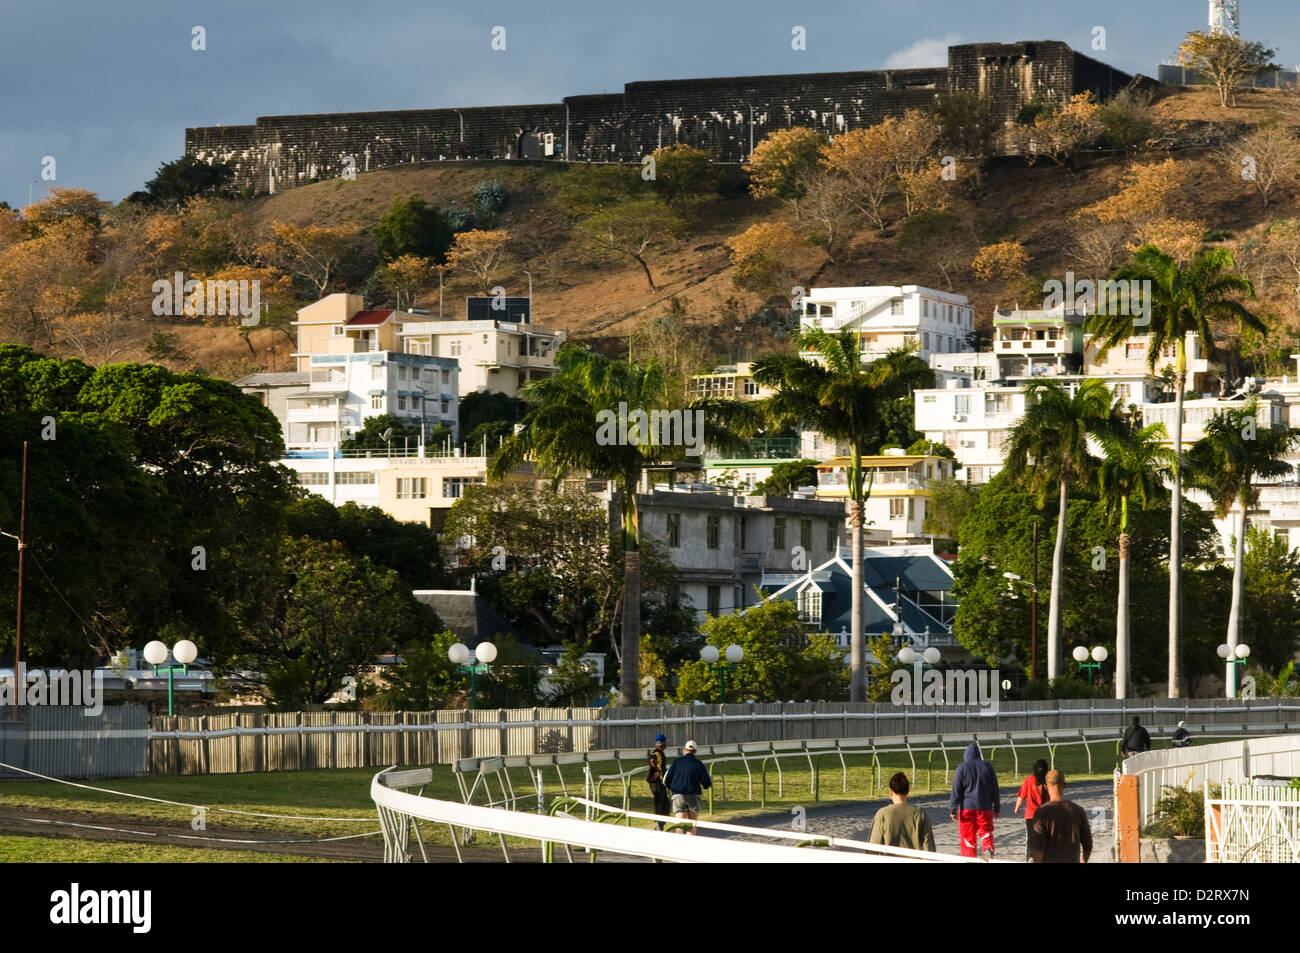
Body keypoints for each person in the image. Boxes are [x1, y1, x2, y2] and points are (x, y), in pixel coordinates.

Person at [948, 742, 1000, 858]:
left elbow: (956, 790)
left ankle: (969, 858)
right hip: (985, 807)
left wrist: (952, 809)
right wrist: (996, 808)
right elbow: (995, 789)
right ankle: (987, 847)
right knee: (986, 831)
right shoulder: (988, 767)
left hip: (966, 808)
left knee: (967, 838)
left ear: (966, 755)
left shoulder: (962, 768)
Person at [1031, 769, 1093, 863]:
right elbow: (1088, 844)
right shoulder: (1078, 811)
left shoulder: (1041, 813)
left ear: (1046, 787)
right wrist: (1083, 860)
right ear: (1064, 785)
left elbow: (1039, 847)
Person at [869, 772, 935, 852]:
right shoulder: (920, 813)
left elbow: (873, 846)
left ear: (890, 791)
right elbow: (928, 846)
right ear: (908, 791)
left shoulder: (883, 814)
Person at [662, 740, 712, 834]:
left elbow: (665, 780)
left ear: (685, 750)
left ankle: (680, 843)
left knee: (680, 823)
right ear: (695, 751)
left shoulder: (676, 762)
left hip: (678, 795)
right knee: (691, 825)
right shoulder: (699, 764)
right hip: (693, 794)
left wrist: (672, 787)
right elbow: (707, 782)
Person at [1014, 758, 1049, 861]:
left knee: (1030, 838)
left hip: (1030, 815)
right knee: (1044, 838)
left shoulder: (1029, 781)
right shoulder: (1048, 782)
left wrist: (1017, 808)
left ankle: (1030, 857)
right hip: (1045, 815)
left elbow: (1021, 797)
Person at [646, 733, 671, 830]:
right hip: (656, 782)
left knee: (662, 803)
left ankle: (659, 823)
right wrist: (657, 770)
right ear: (662, 743)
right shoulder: (657, 752)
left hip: (658, 781)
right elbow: (652, 760)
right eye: (665, 742)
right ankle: (659, 823)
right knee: (661, 803)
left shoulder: (660, 752)